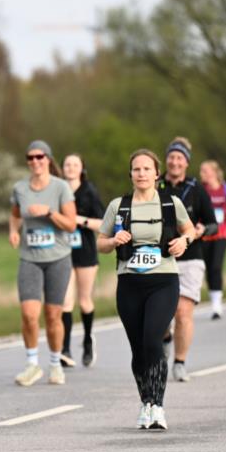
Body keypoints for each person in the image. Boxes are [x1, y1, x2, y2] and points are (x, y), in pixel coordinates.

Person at [97, 149, 196, 430]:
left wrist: (183, 242)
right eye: (136, 169)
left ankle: (158, 406)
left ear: (156, 173)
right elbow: (100, 244)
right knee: (139, 350)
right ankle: (145, 403)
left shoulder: (170, 203)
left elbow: (190, 230)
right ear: (130, 174)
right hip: (129, 282)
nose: (141, 174)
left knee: (153, 340)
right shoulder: (119, 206)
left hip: (163, 280)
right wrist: (114, 241)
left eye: (146, 169)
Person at [9, 140, 77, 386]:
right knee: (29, 314)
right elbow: (15, 214)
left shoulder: (60, 188)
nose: (35, 161)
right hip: (30, 258)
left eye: (40, 157)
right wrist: (14, 232)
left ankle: (56, 363)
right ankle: (31, 365)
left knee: (52, 315)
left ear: (48, 159)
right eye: (30, 158)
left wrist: (49, 212)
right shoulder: (20, 188)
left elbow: (70, 224)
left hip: (58, 258)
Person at [156, 137, 217, 382]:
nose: (174, 161)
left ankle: (179, 362)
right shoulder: (155, 186)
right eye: (171, 157)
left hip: (190, 257)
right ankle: (165, 338)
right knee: (160, 316)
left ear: (186, 163)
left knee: (182, 313)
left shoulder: (196, 189)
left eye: (179, 158)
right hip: (159, 258)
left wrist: (202, 230)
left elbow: (213, 223)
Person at [60, 153, 104, 368]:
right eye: (67, 164)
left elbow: (103, 223)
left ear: (81, 168)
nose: (70, 167)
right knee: (65, 302)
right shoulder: (57, 189)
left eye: (75, 164)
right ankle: (65, 349)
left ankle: (87, 340)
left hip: (85, 251)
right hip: (63, 252)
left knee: (84, 301)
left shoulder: (89, 191)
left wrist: (79, 220)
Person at [200, 160, 226, 319]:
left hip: (222, 232)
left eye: (206, 171)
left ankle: (217, 305)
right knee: (208, 267)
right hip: (206, 233)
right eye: (201, 171)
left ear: (214, 172)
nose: (203, 174)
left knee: (216, 266)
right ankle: (213, 297)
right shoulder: (201, 190)